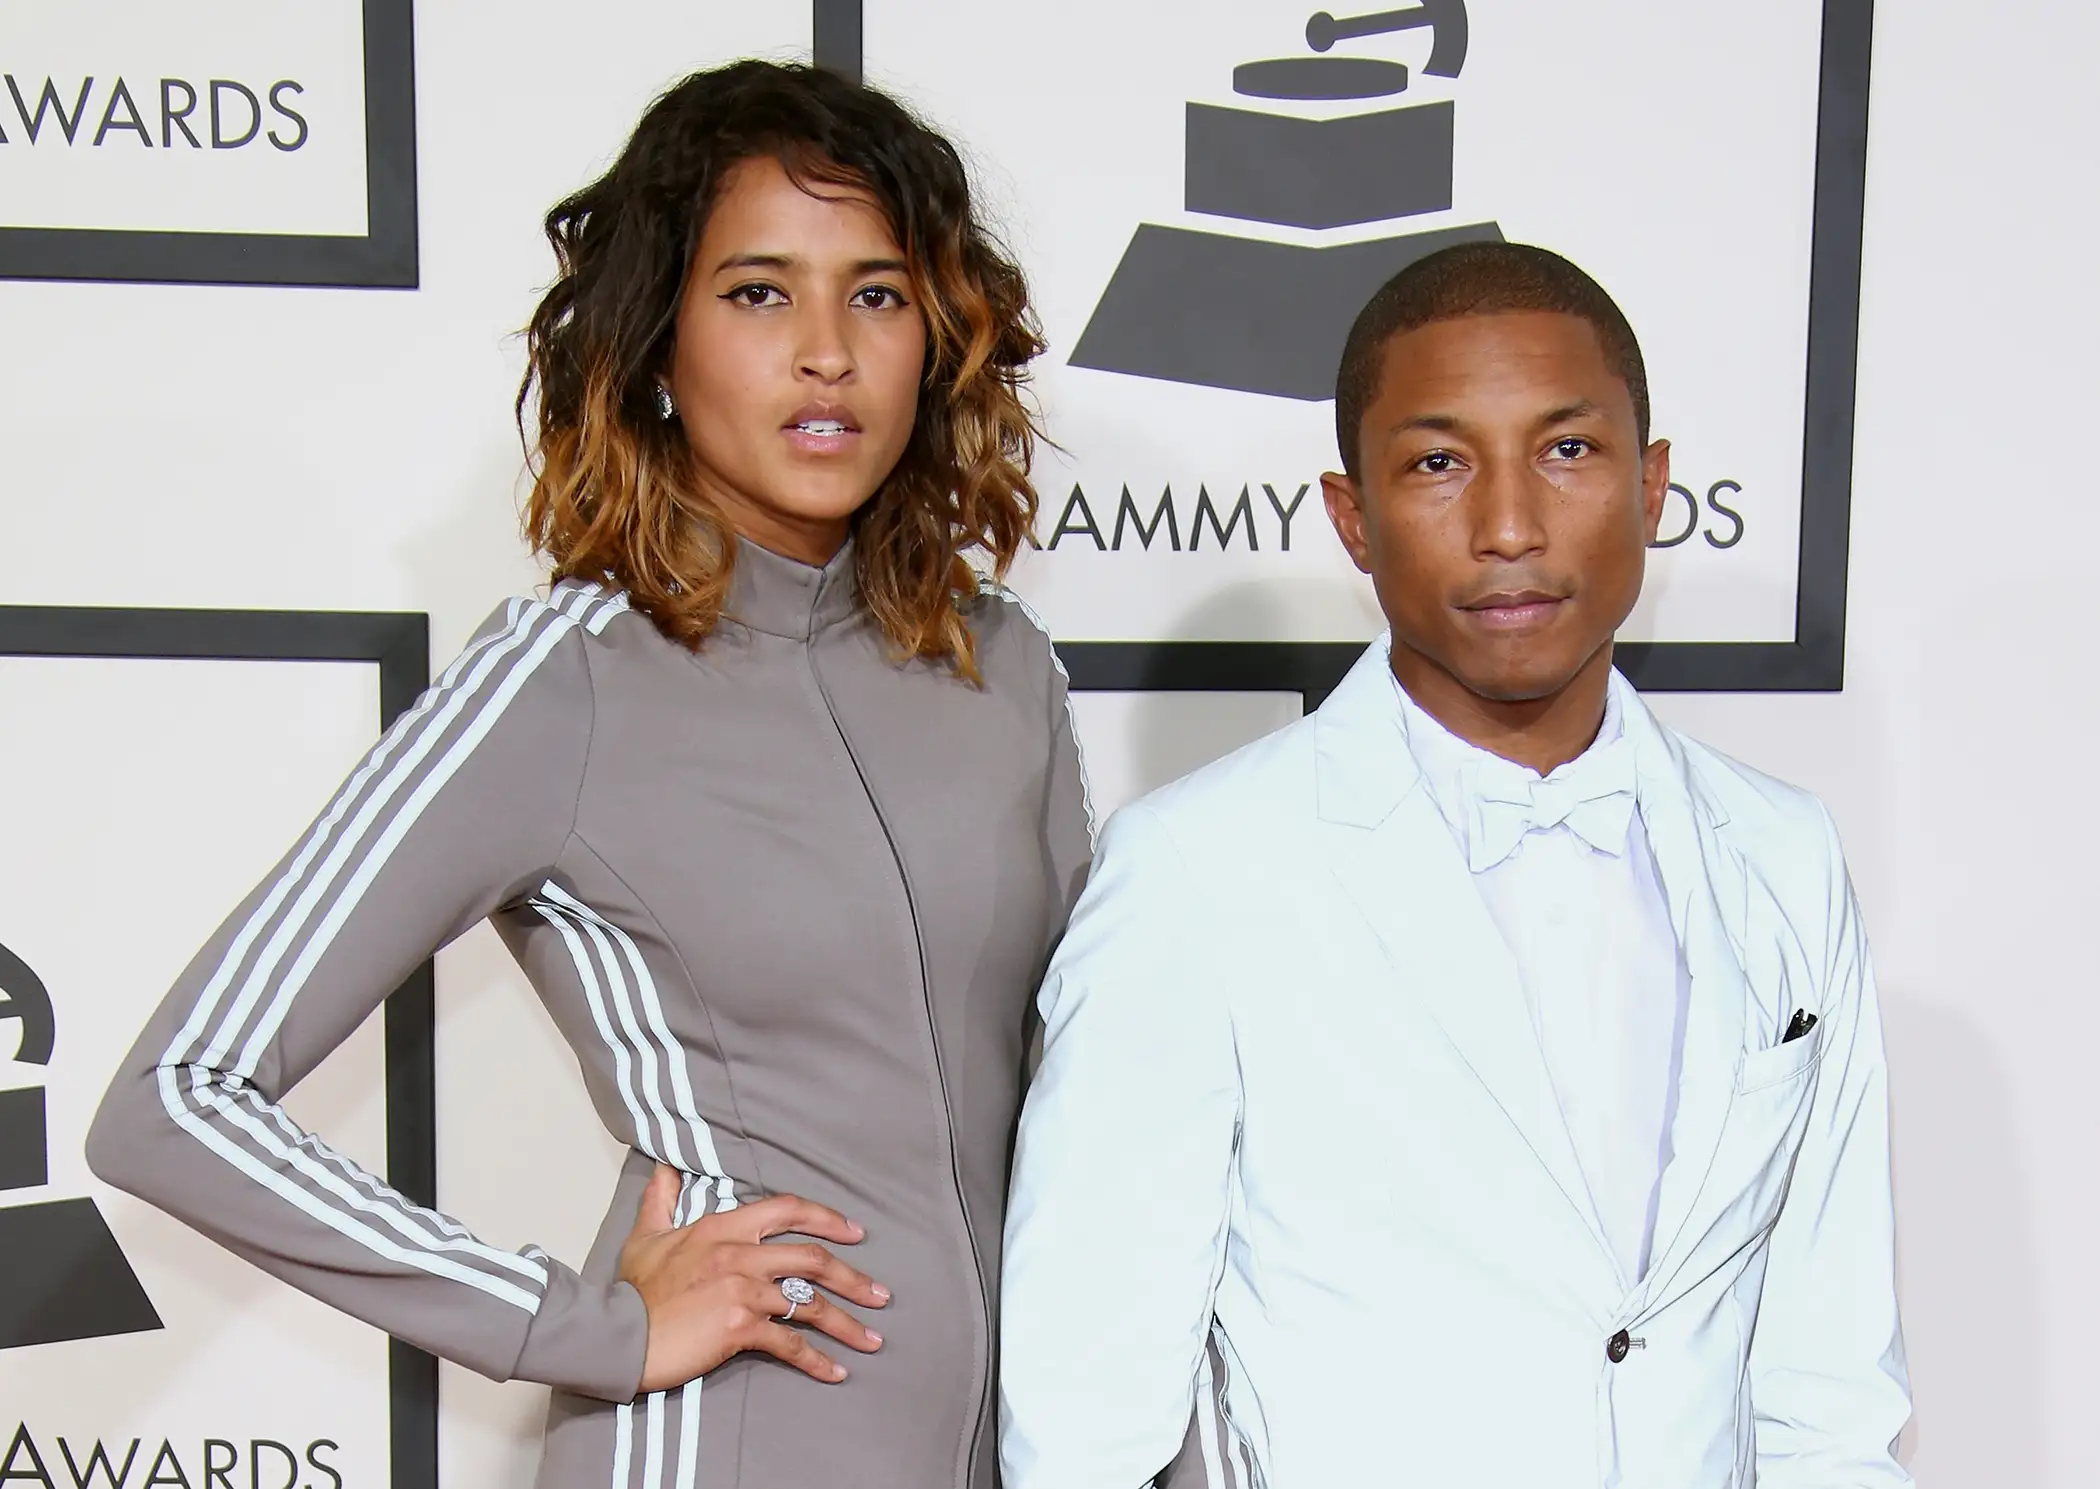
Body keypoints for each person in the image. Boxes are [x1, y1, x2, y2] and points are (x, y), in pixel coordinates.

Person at [88, 60, 1093, 1489]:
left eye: (875, 293)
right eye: (758, 293)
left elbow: (1094, 1120)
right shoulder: (566, 675)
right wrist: (579, 1327)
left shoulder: (1002, 669)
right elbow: (176, 1096)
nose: (827, 350)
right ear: (656, 348)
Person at [999, 242, 1911, 1487]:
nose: (1508, 526)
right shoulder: (1195, 873)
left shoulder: (1785, 851)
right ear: (1352, 518)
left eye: (1567, 450)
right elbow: (1085, 1418)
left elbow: (1831, 1386)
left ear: (1652, 489)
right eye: (1439, 463)